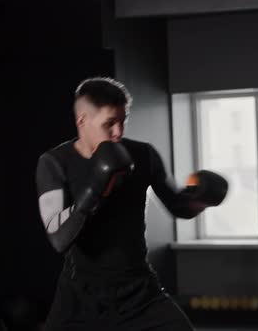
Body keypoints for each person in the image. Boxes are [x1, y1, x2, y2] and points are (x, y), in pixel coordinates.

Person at [35, 77, 228, 331]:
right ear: (82, 120)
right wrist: (95, 186)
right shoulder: (54, 163)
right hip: (81, 297)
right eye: (109, 123)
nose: (119, 131)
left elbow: (178, 206)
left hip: (139, 291)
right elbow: (58, 238)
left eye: (123, 121)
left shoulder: (143, 155)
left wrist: (201, 197)